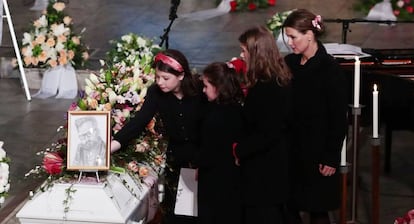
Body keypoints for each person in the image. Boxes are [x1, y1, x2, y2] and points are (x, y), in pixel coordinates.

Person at [110, 49, 205, 224]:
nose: (160, 82)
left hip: (204, 157)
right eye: (158, 77)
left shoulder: (200, 89)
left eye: (166, 78)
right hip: (176, 159)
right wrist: (112, 145)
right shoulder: (156, 92)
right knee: (176, 212)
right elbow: (139, 121)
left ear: (181, 75)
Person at [282, 9, 348, 224]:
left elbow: (338, 117)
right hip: (293, 148)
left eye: (293, 37)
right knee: (289, 204)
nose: (289, 42)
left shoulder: (329, 69)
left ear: (309, 35)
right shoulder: (290, 63)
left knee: (317, 208)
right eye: (288, 37)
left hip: (317, 151)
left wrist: (330, 156)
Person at [233, 25, 292, 224]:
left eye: (244, 50)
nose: (241, 55)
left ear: (256, 53)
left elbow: (268, 132)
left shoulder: (267, 88)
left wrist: (239, 150)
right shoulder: (273, 80)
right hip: (268, 166)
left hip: (265, 170)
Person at [196, 62, 244, 224]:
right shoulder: (237, 108)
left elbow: (207, 153)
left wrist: (196, 161)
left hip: (215, 181)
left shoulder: (213, 117)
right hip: (234, 178)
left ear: (217, 87)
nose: (203, 90)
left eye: (206, 86)